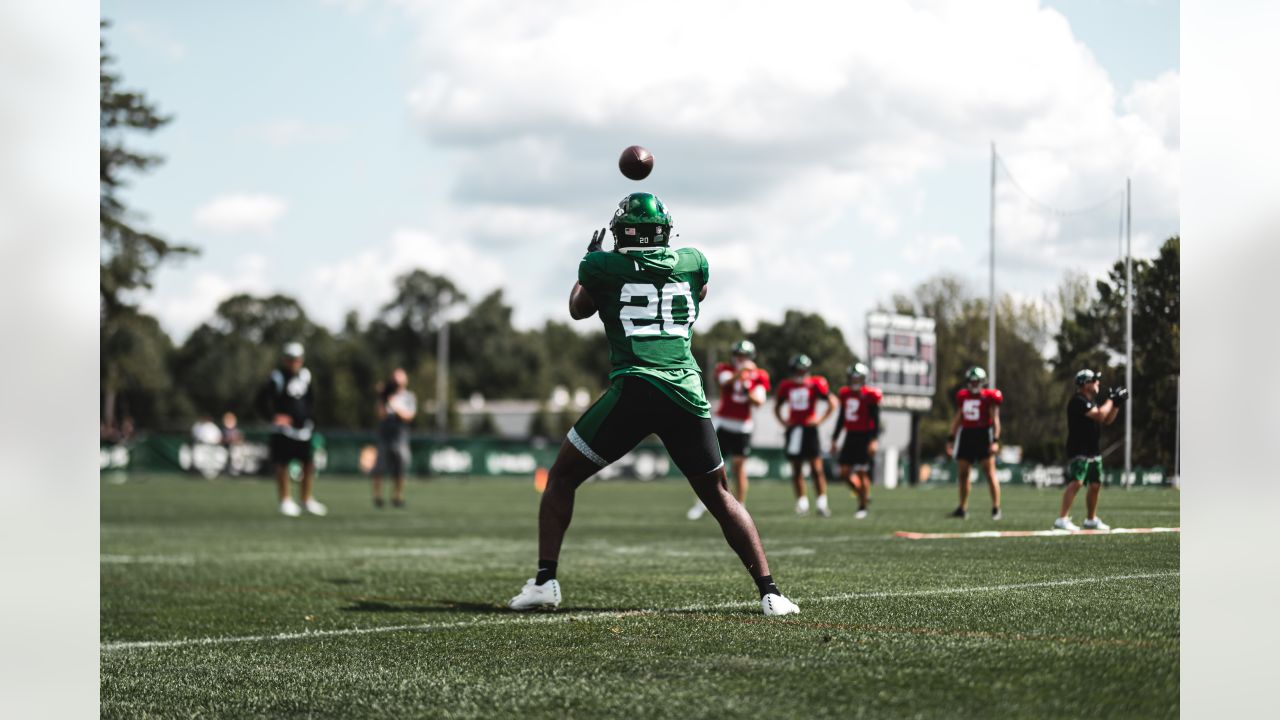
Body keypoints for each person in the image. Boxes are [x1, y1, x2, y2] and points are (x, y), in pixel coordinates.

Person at [507, 192, 799, 616]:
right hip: (685, 392)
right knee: (719, 496)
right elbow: (699, 292)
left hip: (635, 391)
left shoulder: (601, 267)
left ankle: (545, 581)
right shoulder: (692, 261)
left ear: (621, 231)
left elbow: (577, 308)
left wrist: (594, 256)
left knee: (561, 478)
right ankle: (770, 592)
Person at [686, 339, 770, 520]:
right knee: (710, 467)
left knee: (739, 467)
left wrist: (748, 386)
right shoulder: (725, 369)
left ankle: (741, 505)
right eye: (739, 355)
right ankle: (702, 504)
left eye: (745, 356)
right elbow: (725, 383)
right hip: (723, 423)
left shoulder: (759, 375)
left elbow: (759, 401)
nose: (741, 359)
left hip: (743, 426)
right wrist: (742, 373)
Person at [257, 342, 326, 517]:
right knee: (282, 464)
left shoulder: (306, 376)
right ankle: (285, 500)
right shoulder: (277, 377)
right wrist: (274, 416)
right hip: (283, 431)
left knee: (308, 464)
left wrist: (309, 417)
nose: (293, 363)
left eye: (296, 359)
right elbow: (260, 401)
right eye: (290, 359)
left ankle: (305, 499)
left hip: (303, 429)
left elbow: (311, 399)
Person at [1054, 369, 1127, 530]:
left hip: (1093, 449)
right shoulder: (1078, 401)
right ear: (1084, 384)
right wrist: (1110, 399)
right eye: (1094, 380)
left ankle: (1090, 519)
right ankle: (1062, 519)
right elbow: (1101, 415)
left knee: (1095, 484)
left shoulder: (1091, 402)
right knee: (1077, 482)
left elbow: (1107, 420)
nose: (1097, 383)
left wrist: (1116, 404)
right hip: (1079, 449)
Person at [774, 354, 838, 517]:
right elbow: (777, 407)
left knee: (817, 468)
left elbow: (833, 402)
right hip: (794, 429)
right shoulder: (786, 385)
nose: (800, 372)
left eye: (803, 369)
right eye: (797, 369)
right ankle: (802, 503)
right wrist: (784, 422)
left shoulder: (816, 383)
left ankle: (822, 503)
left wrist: (820, 420)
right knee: (796, 469)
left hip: (809, 430)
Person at [945, 366, 1003, 520]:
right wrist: (951, 437)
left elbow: (995, 420)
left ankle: (996, 508)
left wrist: (995, 440)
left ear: (982, 382)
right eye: (972, 381)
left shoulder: (988, 398)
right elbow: (958, 417)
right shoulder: (963, 396)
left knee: (990, 473)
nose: (974, 384)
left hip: (983, 434)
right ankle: (962, 508)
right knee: (963, 474)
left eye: (977, 381)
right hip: (967, 435)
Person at [830, 363, 882, 519]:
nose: (854, 380)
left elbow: (875, 419)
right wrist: (834, 438)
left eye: (857, 377)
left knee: (861, 471)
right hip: (850, 435)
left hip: (864, 436)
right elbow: (841, 418)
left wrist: (873, 440)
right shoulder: (845, 394)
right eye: (852, 377)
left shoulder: (870, 395)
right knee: (844, 472)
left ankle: (862, 506)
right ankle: (861, 493)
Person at [372, 368, 417, 508]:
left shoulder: (408, 396)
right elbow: (380, 415)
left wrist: (394, 407)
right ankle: (377, 496)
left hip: (400, 436)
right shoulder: (386, 396)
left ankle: (397, 496)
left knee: (400, 469)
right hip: (385, 435)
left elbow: (409, 416)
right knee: (379, 468)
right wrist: (382, 397)